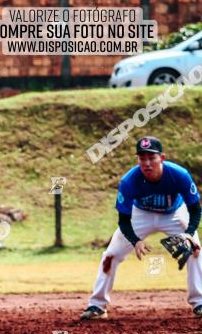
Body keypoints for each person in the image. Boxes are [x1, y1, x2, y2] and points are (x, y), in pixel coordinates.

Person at [80, 136, 202, 320]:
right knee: (110, 255)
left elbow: (195, 209)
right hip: (140, 215)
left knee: (195, 249)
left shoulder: (179, 174)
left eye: (151, 158)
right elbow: (123, 220)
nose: (147, 163)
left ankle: (199, 302)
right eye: (142, 158)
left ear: (162, 158)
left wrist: (189, 233)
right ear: (137, 160)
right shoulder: (129, 181)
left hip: (174, 214)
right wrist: (135, 241)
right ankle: (97, 305)